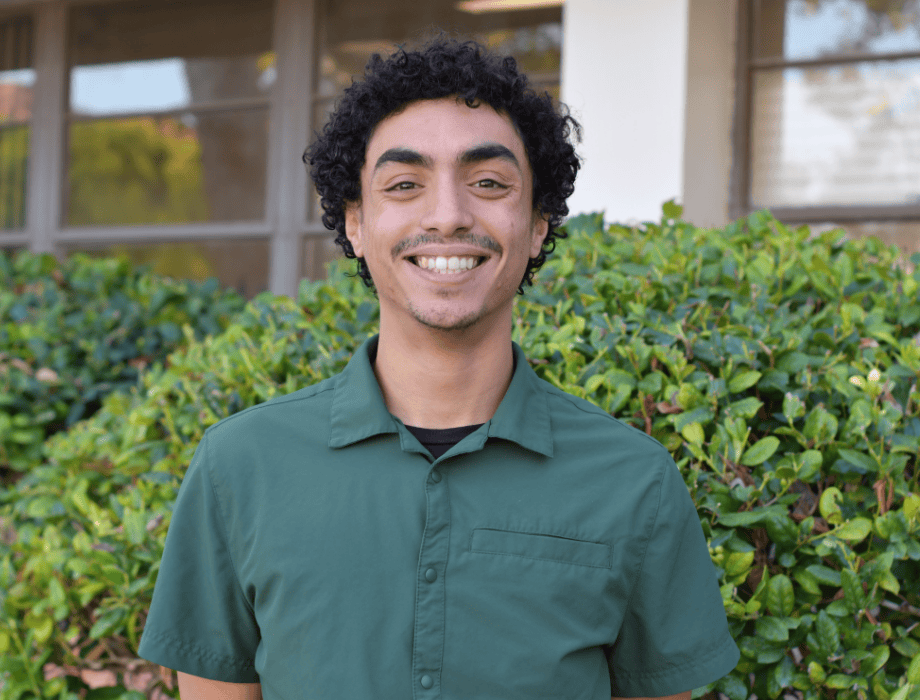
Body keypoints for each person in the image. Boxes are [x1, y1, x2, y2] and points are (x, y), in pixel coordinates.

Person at [137, 36, 740, 700]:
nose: (448, 215)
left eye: (488, 183)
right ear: (356, 224)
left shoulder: (634, 481)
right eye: (404, 185)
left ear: (538, 224)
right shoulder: (239, 467)